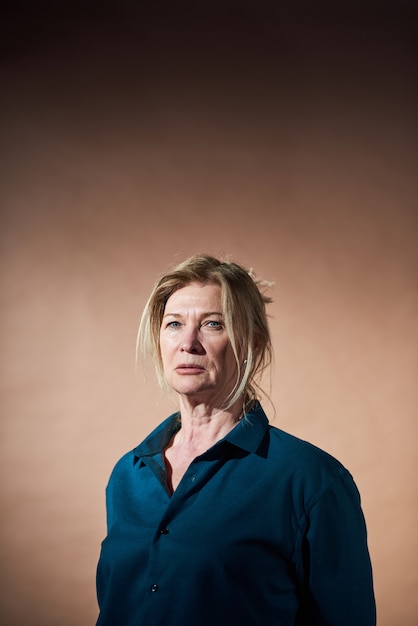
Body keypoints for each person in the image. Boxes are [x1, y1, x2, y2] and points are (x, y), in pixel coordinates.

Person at [95, 253, 376, 626]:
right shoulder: (127, 475)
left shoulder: (311, 481)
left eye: (213, 324)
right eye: (174, 324)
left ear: (252, 344)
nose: (188, 343)